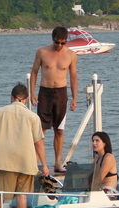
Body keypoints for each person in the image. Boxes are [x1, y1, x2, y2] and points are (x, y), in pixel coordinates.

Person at [0, 82, 50, 208]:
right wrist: (45, 165)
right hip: (26, 161)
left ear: (11, 97)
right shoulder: (33, 117)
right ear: (26, 99)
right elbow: (39, 142)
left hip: (4, 161)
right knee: (22, 196)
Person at [30, 26, 78, 173]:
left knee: (59, 130)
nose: (59, 45)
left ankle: (57, 163)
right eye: (57, 42)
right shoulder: (42, 52)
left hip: (61, 93)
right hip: (45, 92)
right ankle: (35, 164)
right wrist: (32, 92)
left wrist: (75, 97)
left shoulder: (71, 55)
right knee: (41, 130)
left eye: (63, 43)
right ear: (53, 39)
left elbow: (73, 77)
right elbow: (34, 72)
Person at [91, 131, 119, 200]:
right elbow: (91, 176)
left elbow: (98, 179)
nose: (94, 143)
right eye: (93, 140)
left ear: (104, 143)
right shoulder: (96, 158)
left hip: (109, 192)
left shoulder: (109, 157)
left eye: (97, 141)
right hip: (98, 190)